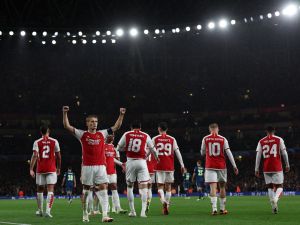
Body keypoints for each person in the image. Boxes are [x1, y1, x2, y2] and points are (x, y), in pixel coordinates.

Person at [63, 105, 126, 222]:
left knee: (103, 188)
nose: (94, 123)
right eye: (91, 122)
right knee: (86, 191)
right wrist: (65, 113)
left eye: (96, 122)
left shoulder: (102, 133)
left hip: (101, 166)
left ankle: (105, 215)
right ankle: (85, 213)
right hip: (87, 167)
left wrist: (121, 114)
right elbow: (67, 126)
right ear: (87, 123)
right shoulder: (82, 134)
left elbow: (116, 126)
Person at [116, 120, 159, 218]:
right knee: (144, 188)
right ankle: (143, 212)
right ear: (140, 128)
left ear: (131, 128)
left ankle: (133, 211)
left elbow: (118, 148)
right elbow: (153, 149)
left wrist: (124, 151)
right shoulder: (145, 135)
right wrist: (157, 157)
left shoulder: (127, 134)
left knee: (130, 187)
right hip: (142, 162)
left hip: (130, 162)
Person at [201, 123, 238, 215]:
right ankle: (222, 209)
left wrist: (207, 153)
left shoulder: (205, 138)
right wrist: (234, 166)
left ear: (210, 129)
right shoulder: (223, 139)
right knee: (222, 187)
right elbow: (229, 153)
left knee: (213, 187)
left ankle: (214, 209)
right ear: (218, 129)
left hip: (210, 166)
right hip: (221, 166)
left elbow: (202, 152)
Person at [255, 126, 290, 214]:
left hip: (266, 168)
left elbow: (258, 156)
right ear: (274, 131)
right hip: (277, 167)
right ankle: (275, 199)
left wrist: (256, 168)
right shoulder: (279, 139)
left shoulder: (261, 141)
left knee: (270, 187)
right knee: (280, 186)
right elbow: (284, 153)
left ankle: (273, 208)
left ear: (266, 131)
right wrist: (287, 164)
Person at [152, 122, 185, 215]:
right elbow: (178, 152)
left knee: (160, 187)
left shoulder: (155, 139)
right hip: (169, 166)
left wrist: (145, 160)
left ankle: (163, 202)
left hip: (159, 166)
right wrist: (182, 165)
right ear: (167, 129)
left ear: (159, 129)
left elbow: (149, 151)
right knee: (169, 187)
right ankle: (167, 205)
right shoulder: (172, 139)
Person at [29, 125, 61, 218]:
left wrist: (31, 169)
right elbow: (59, 156)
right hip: (51, 169)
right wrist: (58, 168)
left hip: (40, 169)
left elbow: (35, 155)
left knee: (40, 190)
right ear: (49, 131)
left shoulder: (37, 142)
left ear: (41, 132)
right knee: (50, 189)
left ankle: (40, 210)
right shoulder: (54, 141)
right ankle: (48, 211)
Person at [104, 134, 127, 214]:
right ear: (106, 137)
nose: (112, 137)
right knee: (105, 190)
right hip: (104, 172)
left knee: (114, 188)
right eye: (110, 136)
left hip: (113, 172)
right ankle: (106, 208)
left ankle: (118, 208)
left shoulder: (114, 149)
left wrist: (122, 165)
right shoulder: (102, 147)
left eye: (113, 136)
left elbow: (114, 159)